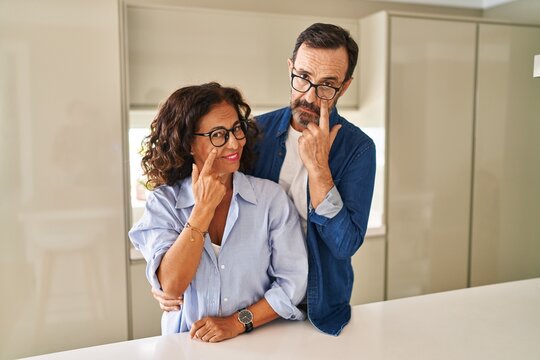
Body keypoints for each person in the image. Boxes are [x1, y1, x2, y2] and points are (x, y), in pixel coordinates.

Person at [154, 23, 376, 336]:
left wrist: (319, 170)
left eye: (327, 86)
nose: (310, 97)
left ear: (346, 85)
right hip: (252, 307)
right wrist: (168, 281)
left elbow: (344, 246)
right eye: (303, 78)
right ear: (291, 69)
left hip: (318, 308)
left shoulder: (358, 149)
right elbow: (219, 203)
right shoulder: (252, 133)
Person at [129, 82, 308, 342]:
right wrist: (202, 210)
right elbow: (171, 285)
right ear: (189, 143)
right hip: (185, 347)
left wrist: (237, 322)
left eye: (237, 129)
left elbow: (293, 285)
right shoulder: (164, 203)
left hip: (259, 343)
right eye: (218, 134)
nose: (234, 143)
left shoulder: (270, 200)